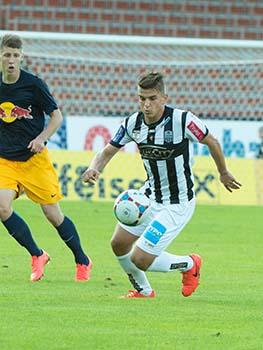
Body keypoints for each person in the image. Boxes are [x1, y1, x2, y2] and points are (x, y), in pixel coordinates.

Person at [82, 72, 241, 298]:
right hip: (149, 196)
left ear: (164, 98)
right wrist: (94, 168)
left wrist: (223, 172)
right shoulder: (132, 123)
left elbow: (211, 141)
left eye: (152, 98)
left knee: (141, 259)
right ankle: (143, 291)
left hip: (176, 204)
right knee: (118, 244)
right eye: (142, 98)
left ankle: (189, 264)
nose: (146, 105)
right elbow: (107, 151)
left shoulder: (182, 120)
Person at [0, 34, 92, 282]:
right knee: (2, 207)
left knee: (53, 215)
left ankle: (82, 259)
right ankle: (37, 254)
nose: (11, 60)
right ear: (0, 56)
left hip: (33, 160)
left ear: (21, 57)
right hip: (5, 161)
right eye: (7, 54)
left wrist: (42, 138)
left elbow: (57, 116)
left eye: (15, 56)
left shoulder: (33, 84)